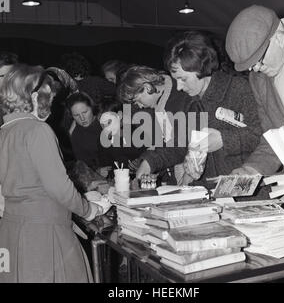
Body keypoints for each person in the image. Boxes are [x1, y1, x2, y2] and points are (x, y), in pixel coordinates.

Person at [0, 64, 103, 283]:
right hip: (44, 234)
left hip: (11, 231)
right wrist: (88, 209)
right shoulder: (37, 130)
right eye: (50, 98)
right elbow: (60, 188)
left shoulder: (4, 132)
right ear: (36, 97)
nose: (52, 105)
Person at [225, 5, 284, 209]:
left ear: (278, 37)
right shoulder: (259, 80)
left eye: (259, 61)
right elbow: (275, 137)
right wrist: (251, 170)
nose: (256, 70)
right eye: (250, 67)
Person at [157, 30, 262, 186]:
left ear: (201, 67)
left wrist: (223, 140)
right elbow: (180, 145)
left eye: (183, 79)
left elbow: (263, 137)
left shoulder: (239, 89)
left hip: (243, 195)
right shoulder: (189, 101)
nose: (178, 87)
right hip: (205, 195)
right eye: (175, 80)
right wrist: (150, 161)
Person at [118, 65, 205, 184]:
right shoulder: (160, 105)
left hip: (201, 178)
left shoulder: (183, 98)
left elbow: (183, 145)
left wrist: (150, 162)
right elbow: (162, 144)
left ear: (147, 87)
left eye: (137, 100)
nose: (139, 106)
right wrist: (146, 160)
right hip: (177, 176)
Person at [66, 91, 105, 170]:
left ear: (92, 107)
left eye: (85, 112)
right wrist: (96, 171)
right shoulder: (75, 134)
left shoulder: (105, 119)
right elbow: (82, 165)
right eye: (76, 115)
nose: (82, 118)